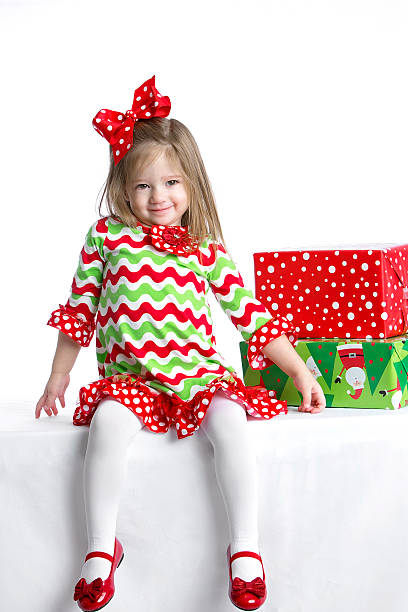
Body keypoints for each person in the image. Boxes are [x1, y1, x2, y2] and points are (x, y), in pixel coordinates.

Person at [35, 75, 326, 612]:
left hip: (197, 375)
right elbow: (78, 308)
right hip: (129, 381)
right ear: (123, 187)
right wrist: (58, 376)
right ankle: (102, 548)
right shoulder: (107, 237)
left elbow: (249, 316)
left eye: (171, 183)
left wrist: (298, 370)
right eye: (143, 186)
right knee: (107, 427)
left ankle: (246, 548)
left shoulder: (202, 246)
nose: (158, 197)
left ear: (192, 184)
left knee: (230, 423)